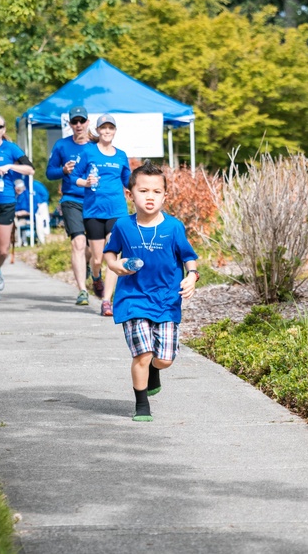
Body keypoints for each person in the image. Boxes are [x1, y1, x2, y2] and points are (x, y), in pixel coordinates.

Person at [103, 161, 199, 422]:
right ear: (130, 194)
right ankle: (141, 404)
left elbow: (189, 257)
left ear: (165, 196)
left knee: (164, 359)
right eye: (143, 191)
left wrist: (192, 276)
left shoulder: (174, 227)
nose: (150, 197)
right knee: (142, 353)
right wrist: (114, 264)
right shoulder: (123, 226)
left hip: (167, 300)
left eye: (156, 192)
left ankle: (155, 371)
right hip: (133, 299)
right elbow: (110, 252)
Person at [75, 114, 131, 317]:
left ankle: (107, 301)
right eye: (104, 128)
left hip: (117, 211)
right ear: (98, 131)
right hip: (93, 211)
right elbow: (74, 178)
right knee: (97, 259)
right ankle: (95, 277)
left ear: (115, 131)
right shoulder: (88, 151)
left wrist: (142, 188)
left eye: (111, 128)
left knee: (112, 257)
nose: (107, 131)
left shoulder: (121, 155)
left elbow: (128, 181)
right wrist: (86, 183)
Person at [0, 114, 34, 300]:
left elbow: (30, 169)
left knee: (3, 250)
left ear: (4, 129)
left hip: (6, 202)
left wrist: (10, 167)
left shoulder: (11, 148)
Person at [46, 106, 94, 305]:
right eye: (75, 122)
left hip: (94, 201)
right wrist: (63, 170)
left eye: (82, 121)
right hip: (71, 200)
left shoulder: (96, 145)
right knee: (78, 243)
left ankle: (90, 266)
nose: (79, 125)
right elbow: (50, 173)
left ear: (88, 122)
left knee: (93, 249)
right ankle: (82, 290)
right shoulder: (61, 146)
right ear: (70, 124)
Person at [13, 177, 51, 243]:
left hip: (36, 215)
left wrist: (27, 212)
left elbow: (45, 196)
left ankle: (43, 240)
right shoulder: (21, 195)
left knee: (41, 220)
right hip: (23, 218)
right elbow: (19, 207)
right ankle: (17, 242)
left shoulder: (36, 186)